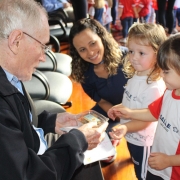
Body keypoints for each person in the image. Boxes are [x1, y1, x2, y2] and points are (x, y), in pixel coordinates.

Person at [0, 0, 108, 179]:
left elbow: (17, 122)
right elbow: (28, 174)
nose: (44, 57)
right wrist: (77, 141)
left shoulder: (11, 76)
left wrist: (52, 122)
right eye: (42, 46)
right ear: (16, 40)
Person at [107, 34, 180, 180]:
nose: (161, 75)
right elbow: (153, 113)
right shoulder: (169, 91)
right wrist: (129, 112)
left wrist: (169, 160)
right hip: (158, 159)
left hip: (172, 170)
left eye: (166, 72)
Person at [69, 18, 128, 162]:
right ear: (77, 53)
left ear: (102, 37)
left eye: (93, 43)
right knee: (89, 139)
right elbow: (102, 101)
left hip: (138, 110)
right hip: (111, 110)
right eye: (82, 49)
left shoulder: (127, 57)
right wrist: (117, 118)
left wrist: (128, 121)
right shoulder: (85, 73)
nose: (90, 53)